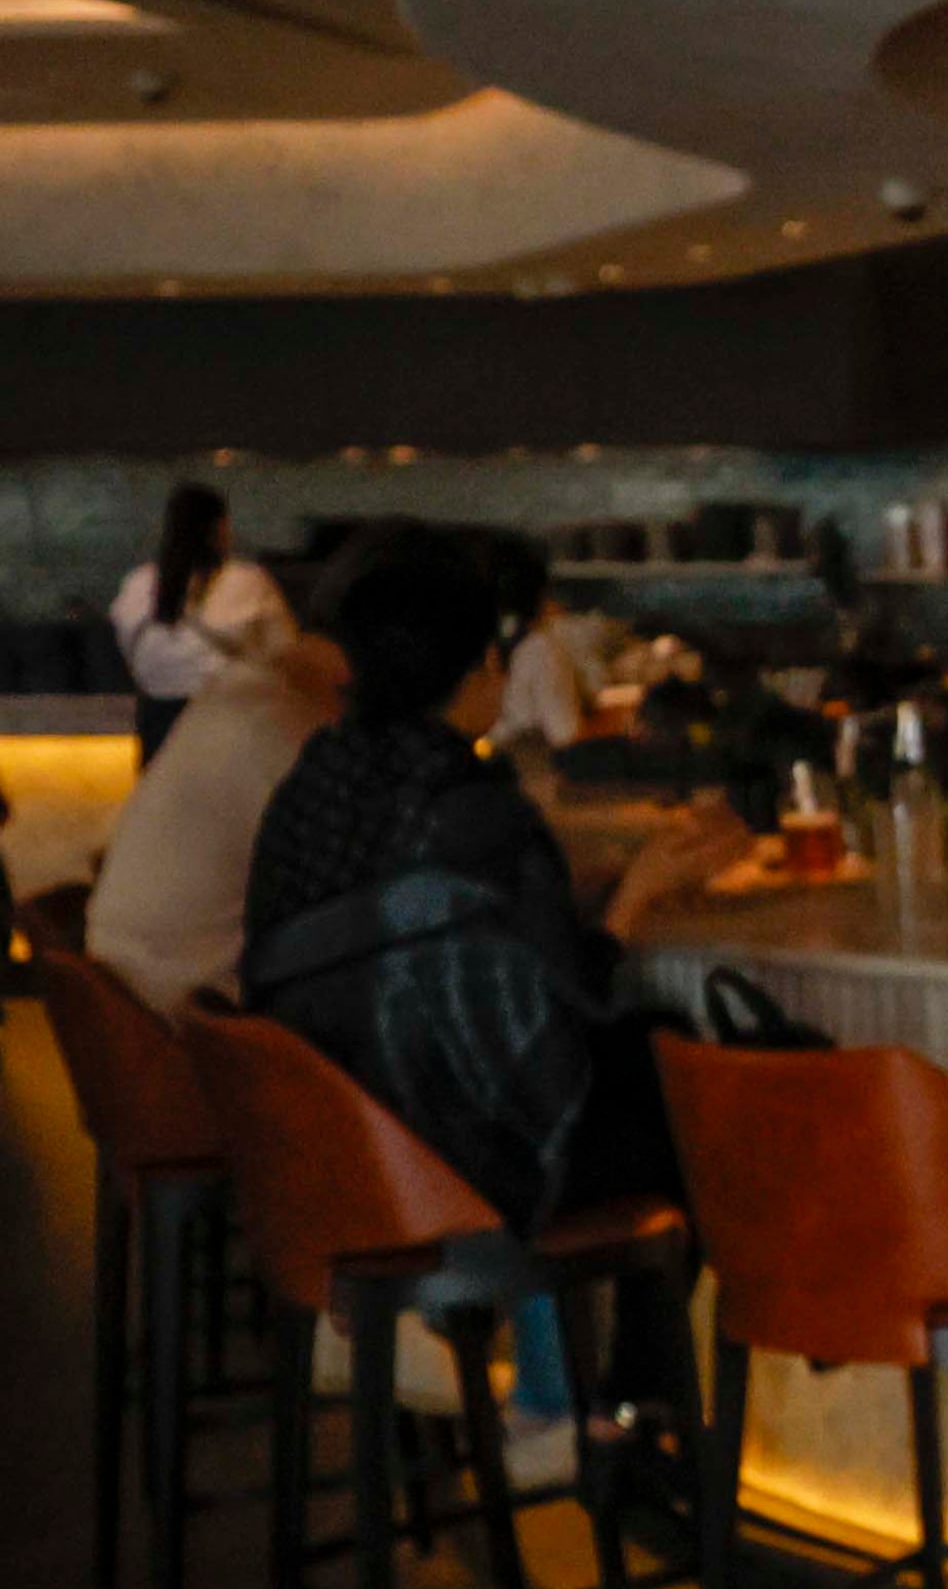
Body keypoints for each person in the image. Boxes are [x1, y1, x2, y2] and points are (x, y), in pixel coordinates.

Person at [241, 522, 748, 1236]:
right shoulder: (477, 812)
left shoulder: (313, 783)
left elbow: (419, 933)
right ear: (482, 666)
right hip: (461, 1161)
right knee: (681, 1088)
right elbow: (564, 1005)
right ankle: (637, 1343)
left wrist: (579, 885)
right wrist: (636, 897)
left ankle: (558, 1344)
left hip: (324, 1147)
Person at [88, 612, 350, 1014]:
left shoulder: (230, 700)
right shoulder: (276, 726)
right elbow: (334, 887)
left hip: (127, 993)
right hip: (183, 1012)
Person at [110, 483, 293, 763]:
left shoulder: (138, 583)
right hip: (231, 720)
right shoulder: (248, 580)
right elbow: (284, 651)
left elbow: (129, 651)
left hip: (158, 723)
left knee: (165, 804)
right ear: (220, 527)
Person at [491, 538, 598, 753]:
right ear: (542, 597)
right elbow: (564, 730)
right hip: (530, 767)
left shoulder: (495, 642)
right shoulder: (540, 649)